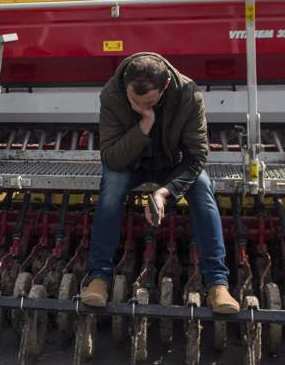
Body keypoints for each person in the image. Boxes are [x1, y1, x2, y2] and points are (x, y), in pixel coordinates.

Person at [80, 52, 240, 314]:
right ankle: (99, 278)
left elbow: (197, 156)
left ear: (165, 87)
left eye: (149, 102)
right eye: (135, 100)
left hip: (172, 165)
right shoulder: (112, 95)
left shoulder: (189, 95)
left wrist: (164, 193)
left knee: (202, 189)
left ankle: (217, 284)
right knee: (110, 190)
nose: (141, 104)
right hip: (129, 164)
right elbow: (111, 157)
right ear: (126, 86)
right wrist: (145, 124)